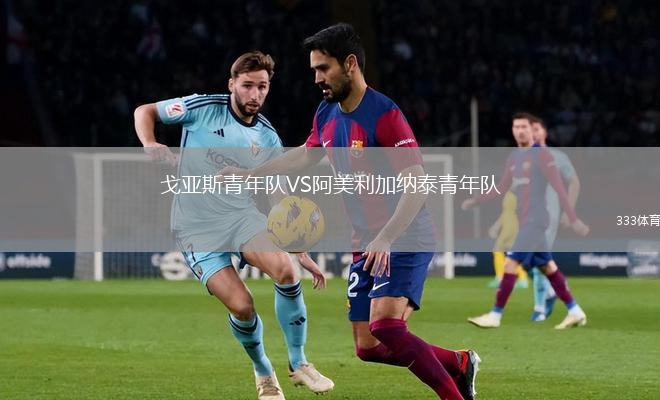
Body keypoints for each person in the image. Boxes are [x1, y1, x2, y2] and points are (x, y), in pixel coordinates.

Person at [220, 24, 480, 400]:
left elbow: (418, 185)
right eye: (314, 70)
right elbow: (304, 156)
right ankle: (459, 362)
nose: (317, 78)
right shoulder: (326, 112)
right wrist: (250, 174)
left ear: (350, 64)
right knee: (368, 347)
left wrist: (386, 238)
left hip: (403, 234)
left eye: (323, 68)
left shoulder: (385, 115)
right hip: (365, 241)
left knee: (387, 328)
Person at [133, 51, 334, 400]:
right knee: (242, 306)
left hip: (241, 217)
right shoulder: (202, 108)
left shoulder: (267, 136)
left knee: (287, 271)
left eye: (262, 87)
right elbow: (144, 111)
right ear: (232, 85)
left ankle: (299, 363)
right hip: (196, 228)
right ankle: (264, 371)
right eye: (247, 86)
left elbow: (275, 191)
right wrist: (150, 143)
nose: (255, 94)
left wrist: (299, 249)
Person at [462, 112, 589, 330]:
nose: (520, 131)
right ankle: (575, 311)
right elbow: (502, 187)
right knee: (547, 266)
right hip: (526, 220)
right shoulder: (514, 158)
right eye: (516, 127)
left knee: (510, 263)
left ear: (532, 131)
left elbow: (559, 187)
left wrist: (573, 217)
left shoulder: (542, 156)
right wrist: (476, 200)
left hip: (536, 220)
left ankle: (495, 314)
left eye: (524, 127)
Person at [528, 116, 581, 321]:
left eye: (537, 129)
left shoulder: (557, 157)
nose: (533, 133)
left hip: (548, 214)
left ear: (545, 132)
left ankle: (540, 308)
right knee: (527, 259)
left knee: (538, 257)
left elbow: (574, 182)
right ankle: (552, 291)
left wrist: (570, 210)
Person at [487, 191, 529, 289]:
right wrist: (496, 226)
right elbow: (504, 214)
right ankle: (518, 278)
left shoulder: (516, 194)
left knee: (502, 252)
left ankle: (508, 278)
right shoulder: (510, 195)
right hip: (510, 227)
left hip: (511, 229)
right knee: (509, 254)